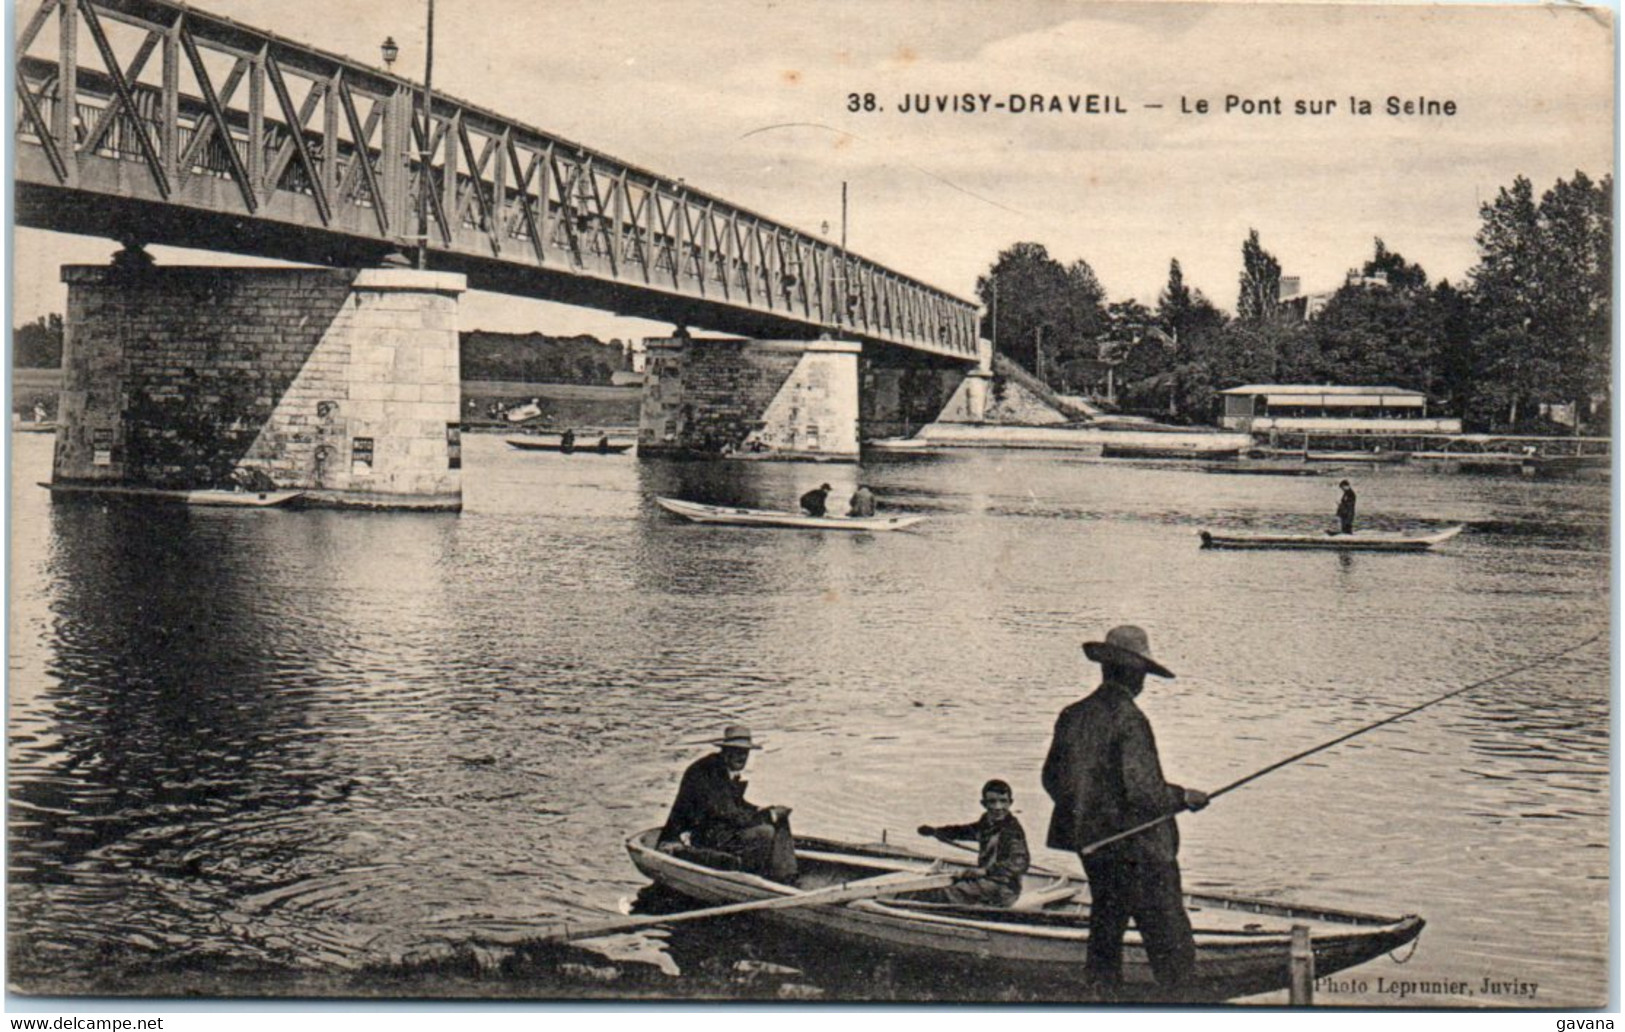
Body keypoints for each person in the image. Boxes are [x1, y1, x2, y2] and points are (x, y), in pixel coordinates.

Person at [1042, 625, 1209, 994]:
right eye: (1143, 675)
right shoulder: (1131, 720)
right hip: (1142, 856)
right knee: (1173, 951)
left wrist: (1092, 816)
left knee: (1105, 935)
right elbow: (1146, 795)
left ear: (1105, 668)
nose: (1144, 683)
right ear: (1133, 674)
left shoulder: (1072, 714)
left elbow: (1052, 780)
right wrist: (1185, 796)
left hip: (1096, 849)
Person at [658, 725, 798, 883]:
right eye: (737, 751)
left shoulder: (723, 768)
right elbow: (730, 814)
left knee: (779, 820)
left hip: (718, 829)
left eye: (745, 752)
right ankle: (753, 880)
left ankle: (786, 875)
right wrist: (769, 815)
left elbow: (735, 805)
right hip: (696, 836)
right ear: (725, 752)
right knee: (764, 832)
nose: (742, 757)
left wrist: (764, 810)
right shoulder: (707, 771)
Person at [917, 779, 1030, 907]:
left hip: (1003, 888)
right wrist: (936, 831)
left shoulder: (1012, 830)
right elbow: (965, 831)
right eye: (992, 802)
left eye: (1003, 801)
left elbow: (1020, 863)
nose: (998, 807)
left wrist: (985, 871)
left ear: (1010, 803)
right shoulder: (987, 823)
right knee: (948, 885)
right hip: (988, 881)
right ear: (983, 804)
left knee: (938, 894)